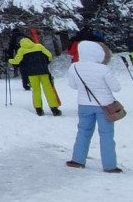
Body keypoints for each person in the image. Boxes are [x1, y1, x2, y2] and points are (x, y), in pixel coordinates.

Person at [66, 41, 122, 173]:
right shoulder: (103, 69)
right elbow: (116, 88)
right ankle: (110, 165)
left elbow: (73, 86)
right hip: (104, 105)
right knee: (106, 135)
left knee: (83, 132)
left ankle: (77, 160)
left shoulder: (74, 67)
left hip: (84, 105)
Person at [9, 31, 62, 116]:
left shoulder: (22, 50)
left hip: (31, 73)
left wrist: (9, 60)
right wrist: (46, 63)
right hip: (43, 71)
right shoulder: (39, 46)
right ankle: (54, 108)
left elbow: (16, 61)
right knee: (48, 89)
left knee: (36, 90)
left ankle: (39, 109)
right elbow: (49, 55)